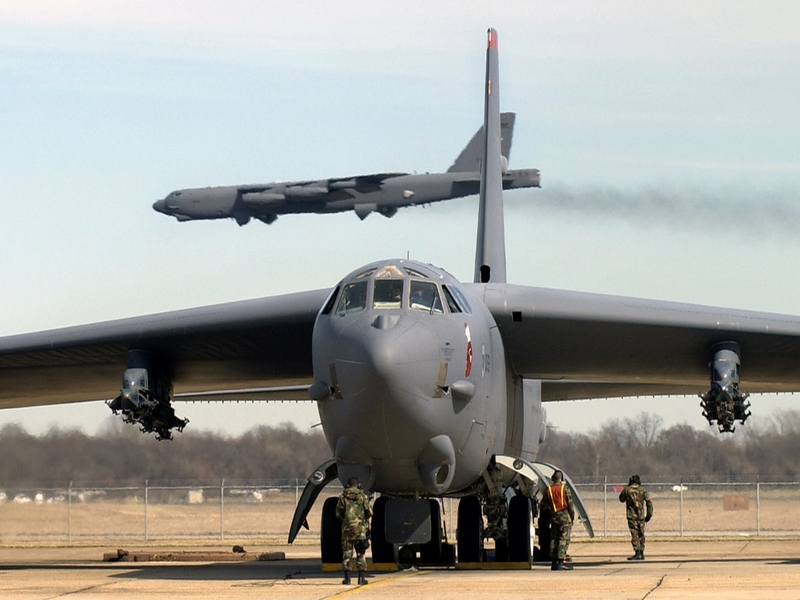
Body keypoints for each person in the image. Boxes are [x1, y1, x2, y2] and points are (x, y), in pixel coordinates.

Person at [335, 477, 373, 585]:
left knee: (347, 553)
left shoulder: (342, 497)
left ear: (347, 486)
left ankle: (347, 579)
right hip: (360, 530)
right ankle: (361, 578)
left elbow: (338, 514)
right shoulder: (363, 497)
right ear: (358, 485)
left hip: (347, 529)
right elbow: (369, 512)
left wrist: (346, 519)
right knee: (361, 553)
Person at [618, 474, 653, 560]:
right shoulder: (643, 491)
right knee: (641, 534)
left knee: (635, 534)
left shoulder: (627, 490)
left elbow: (621, 499)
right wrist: (649, 515)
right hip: (641, 516)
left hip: (631, 516)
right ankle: (641, 552)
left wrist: (627, 488)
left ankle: (637, 552)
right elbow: (649, 502)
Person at [545, 470, 575, 571]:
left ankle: (553, 562)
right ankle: (560, 561)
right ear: (561, 478)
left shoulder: (548, 489)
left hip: (553, 517)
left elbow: (544, 505)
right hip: (564, 516)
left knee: (554, 538)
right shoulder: (564, 488)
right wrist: (572, 516)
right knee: (563, 538)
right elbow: (570, 504)